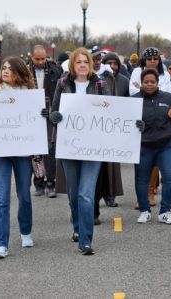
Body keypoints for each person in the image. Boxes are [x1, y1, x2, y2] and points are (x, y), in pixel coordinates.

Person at [49, 47, 111, 255]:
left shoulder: (100, 84)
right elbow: (54, 111)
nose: (83, 65)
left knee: (86, 194)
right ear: (73, 65)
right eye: (79, 62)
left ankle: (85, 240)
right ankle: (77, 227)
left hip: (93, 147)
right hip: (69, 147)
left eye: (86, 61)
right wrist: (55, 117)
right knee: (74, 193)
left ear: (90, 64)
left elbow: (112, 111)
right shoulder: (63, 83)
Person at [0, 57, 38, 259]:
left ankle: (25, 232)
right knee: (2, 198)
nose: (4, 71)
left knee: (24, 194)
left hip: (23, 152)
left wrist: (41, 114)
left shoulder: (30, 95)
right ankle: (1, 244)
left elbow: (36, 122)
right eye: (3, 68)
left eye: (9, 69)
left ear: (19, 73)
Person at [132, 68, 171, 225]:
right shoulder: (133, 100)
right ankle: (144, 210)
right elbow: (126, 123)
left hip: (167, 144)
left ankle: (165, 211)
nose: (149, 84)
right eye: (146, 82)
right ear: (141, 83)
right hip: (143, 146)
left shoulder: (169, 98)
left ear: (158, 83)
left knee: (170, 178)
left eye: (153, 82)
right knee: (141, 179)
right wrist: (135, 123)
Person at [28, 45, 63, 198]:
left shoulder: (56, 71)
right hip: (31, 116)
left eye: (43, 58)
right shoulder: (24, 72)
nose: (41, 62)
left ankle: (51, 182)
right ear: (31, 57)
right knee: (35, 150)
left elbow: (59, 93)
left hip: (49, 114)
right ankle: (39, 181)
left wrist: (53, 112)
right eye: (37, 59)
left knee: (50, 148)